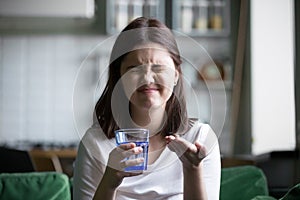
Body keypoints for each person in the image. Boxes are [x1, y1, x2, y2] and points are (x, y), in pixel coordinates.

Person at [73, 17, 221, 200]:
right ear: (119, 77)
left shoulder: (200, 140)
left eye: (158, 68)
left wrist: (193, 169)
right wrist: (109, 181)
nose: (148, 79)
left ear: (175, 75)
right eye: (134, 68)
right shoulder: (95, 143)